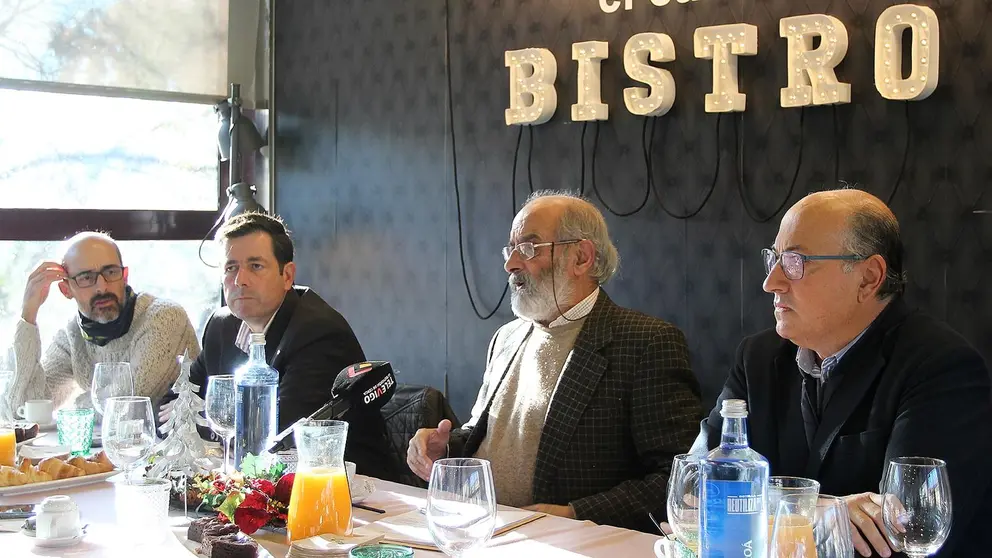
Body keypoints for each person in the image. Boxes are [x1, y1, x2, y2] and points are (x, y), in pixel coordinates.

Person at [693, 189, 992, 557]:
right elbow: (696, 491)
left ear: (868, 277)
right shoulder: (757, 356)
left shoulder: (941, 367)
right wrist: (821, 511)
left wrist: (758, 509)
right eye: (774, 258)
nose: (771, 282)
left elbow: (910, 532)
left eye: (795, 261)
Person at [407, 191, 702, 533]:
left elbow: (679, 478)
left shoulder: (645, 341)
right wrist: (447, 447)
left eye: (529, 248)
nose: (511, 264)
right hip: (480, 530)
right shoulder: (506, 338)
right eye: (511, 249)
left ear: (581, 257)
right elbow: (485, 437)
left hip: (568, 544)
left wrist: (574, 513)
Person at [162, 213, 399, 481]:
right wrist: (213, 421)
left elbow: (275, 437)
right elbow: (178, 408)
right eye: (230, 267)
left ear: (287, 275)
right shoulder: (221, 326)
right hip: (257, 484)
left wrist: (213, 419)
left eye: (255, 266)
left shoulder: (318, 333)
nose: (240, 280)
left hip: (352, 493)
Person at [9, 231, 200, 409]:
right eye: (86, 278)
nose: (102, 287)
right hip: (113, 445)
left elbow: (128, 405)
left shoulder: (164, 317)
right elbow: (26, 409)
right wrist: (28, 315)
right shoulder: (72, 335)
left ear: (124, 276)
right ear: (66, 290)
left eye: (110, 272)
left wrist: (76, 406)